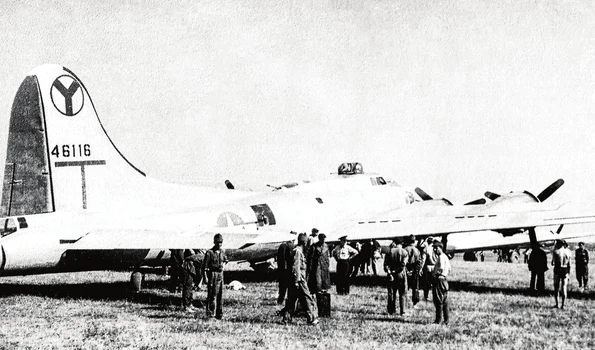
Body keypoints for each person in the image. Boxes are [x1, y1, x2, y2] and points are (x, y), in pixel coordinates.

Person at [281, 233, 319, 325]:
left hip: (295, 279)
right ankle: (312, 318)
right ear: (305, 243)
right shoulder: (298, 251)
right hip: (299, 280)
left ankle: (286, 319)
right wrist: (297, 281)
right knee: (307, 298)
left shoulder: (296, 250)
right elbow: (296, 266)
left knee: (291, 300)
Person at [202, 233, 228, 319]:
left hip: (220, 274)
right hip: (212, 274)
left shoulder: (222, 252)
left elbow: (226, 260)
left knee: (220, 295)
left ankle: (219, 314)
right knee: (212, 295)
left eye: (221, 242)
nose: (219, 244)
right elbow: (205, 267)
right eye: (217, 242)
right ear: (214, 242)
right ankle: (210, 314)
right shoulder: (209, 252)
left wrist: (223, 265)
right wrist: (205, 278)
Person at [384, 238, 408, 316]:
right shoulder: (404, 252)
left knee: (391, 293)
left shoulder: (389, 251)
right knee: (402, 293)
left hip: (391, 275)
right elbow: (403, 265)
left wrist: (390, 272)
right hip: (401, 275)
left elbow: (385, 265)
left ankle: (391, 310)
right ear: (402, 243)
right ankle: (403, 311)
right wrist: (397, 271)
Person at [432, 241, 451, 325]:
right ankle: (446, 320)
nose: (435, 250)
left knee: (438, 300)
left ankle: (438, 320)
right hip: (444, 279)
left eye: (436, 248)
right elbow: (449, 268)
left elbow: (441, 268)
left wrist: (436, 275)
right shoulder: (445, 257)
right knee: (445, 300)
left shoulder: (441, 257)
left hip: (439, 279)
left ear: (440, 248)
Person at [276, 236, 295, 312]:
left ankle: (282, 302)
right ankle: (283, 302)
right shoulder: (287, 245)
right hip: (287, 271)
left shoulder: (284, 245)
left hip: (285, 271)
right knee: (285, 288)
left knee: (283, 288)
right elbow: (284, 259)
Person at [552, 240, 571, 309]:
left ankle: (557, 304)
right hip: (565, 269)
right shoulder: (568, 252)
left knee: (556, 287)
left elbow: (552, 263)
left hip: (557, 269)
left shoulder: (556, 251)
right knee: (564, 287)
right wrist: (568, 274)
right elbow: (570, 265)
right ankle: (563, 305)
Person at [404, 235, 422, 307]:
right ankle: (415, 303)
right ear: (414, 241)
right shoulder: (417, 250)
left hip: (406, 268)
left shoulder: (405, 249)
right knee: (415, 287)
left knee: (405, 286)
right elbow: (419, 261)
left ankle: (405, 302)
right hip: (414, 269)